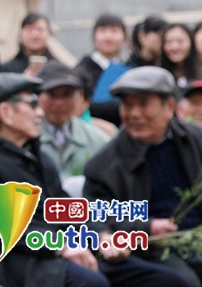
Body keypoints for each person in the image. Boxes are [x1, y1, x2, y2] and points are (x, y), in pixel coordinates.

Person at [0, 72, 190, 287]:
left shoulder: (34, 154)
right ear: (6, 112)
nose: (40, 112)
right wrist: (59, 245)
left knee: (167, 281)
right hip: (16, 261)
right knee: (90, 282)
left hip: (61, 252)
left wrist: (101, 236)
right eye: (32, 104)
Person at [84, 67, 202, 286]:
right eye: (127, 105)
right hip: (151, 249)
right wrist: (146, 227)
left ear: (169, 107)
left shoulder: (195, 141)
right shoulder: (103, 165)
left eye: (143, 103)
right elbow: (94, 216)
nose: (134, 114)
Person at [35, 62, 109, 180]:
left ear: (79, 96)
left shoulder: (97, 140)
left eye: (66, 94)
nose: (59, 103)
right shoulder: (25, 138)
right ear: (37, 97)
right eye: (52, 94)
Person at [73, 13, 128, 126]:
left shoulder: (129, 69)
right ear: (94, 37)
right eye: (103, 31)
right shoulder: (82, 70)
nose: (108, 37)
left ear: (124, 38)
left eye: (114, 31)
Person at [161, 23, 199, 91]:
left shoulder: (199, 73)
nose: (174, 47)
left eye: (180, 41)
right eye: (169, 42)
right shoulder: (158, 77)